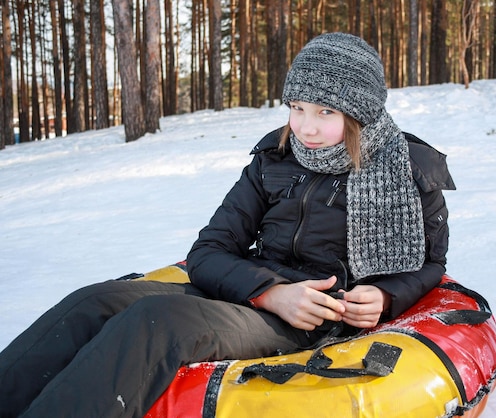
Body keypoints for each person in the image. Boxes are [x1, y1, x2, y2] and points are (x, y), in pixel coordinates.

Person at [0, 32, 455, 418]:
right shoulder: (273, 160)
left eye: (325, 112)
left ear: (360, 112)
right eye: (297, 107)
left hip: (315, 318)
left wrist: (385, 295)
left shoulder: (408, 171)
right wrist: (271, 291)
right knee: (93, 301)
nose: (305, 127)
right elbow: (209, 250)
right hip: (256, 291)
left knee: (156, 321)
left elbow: (431, 262)